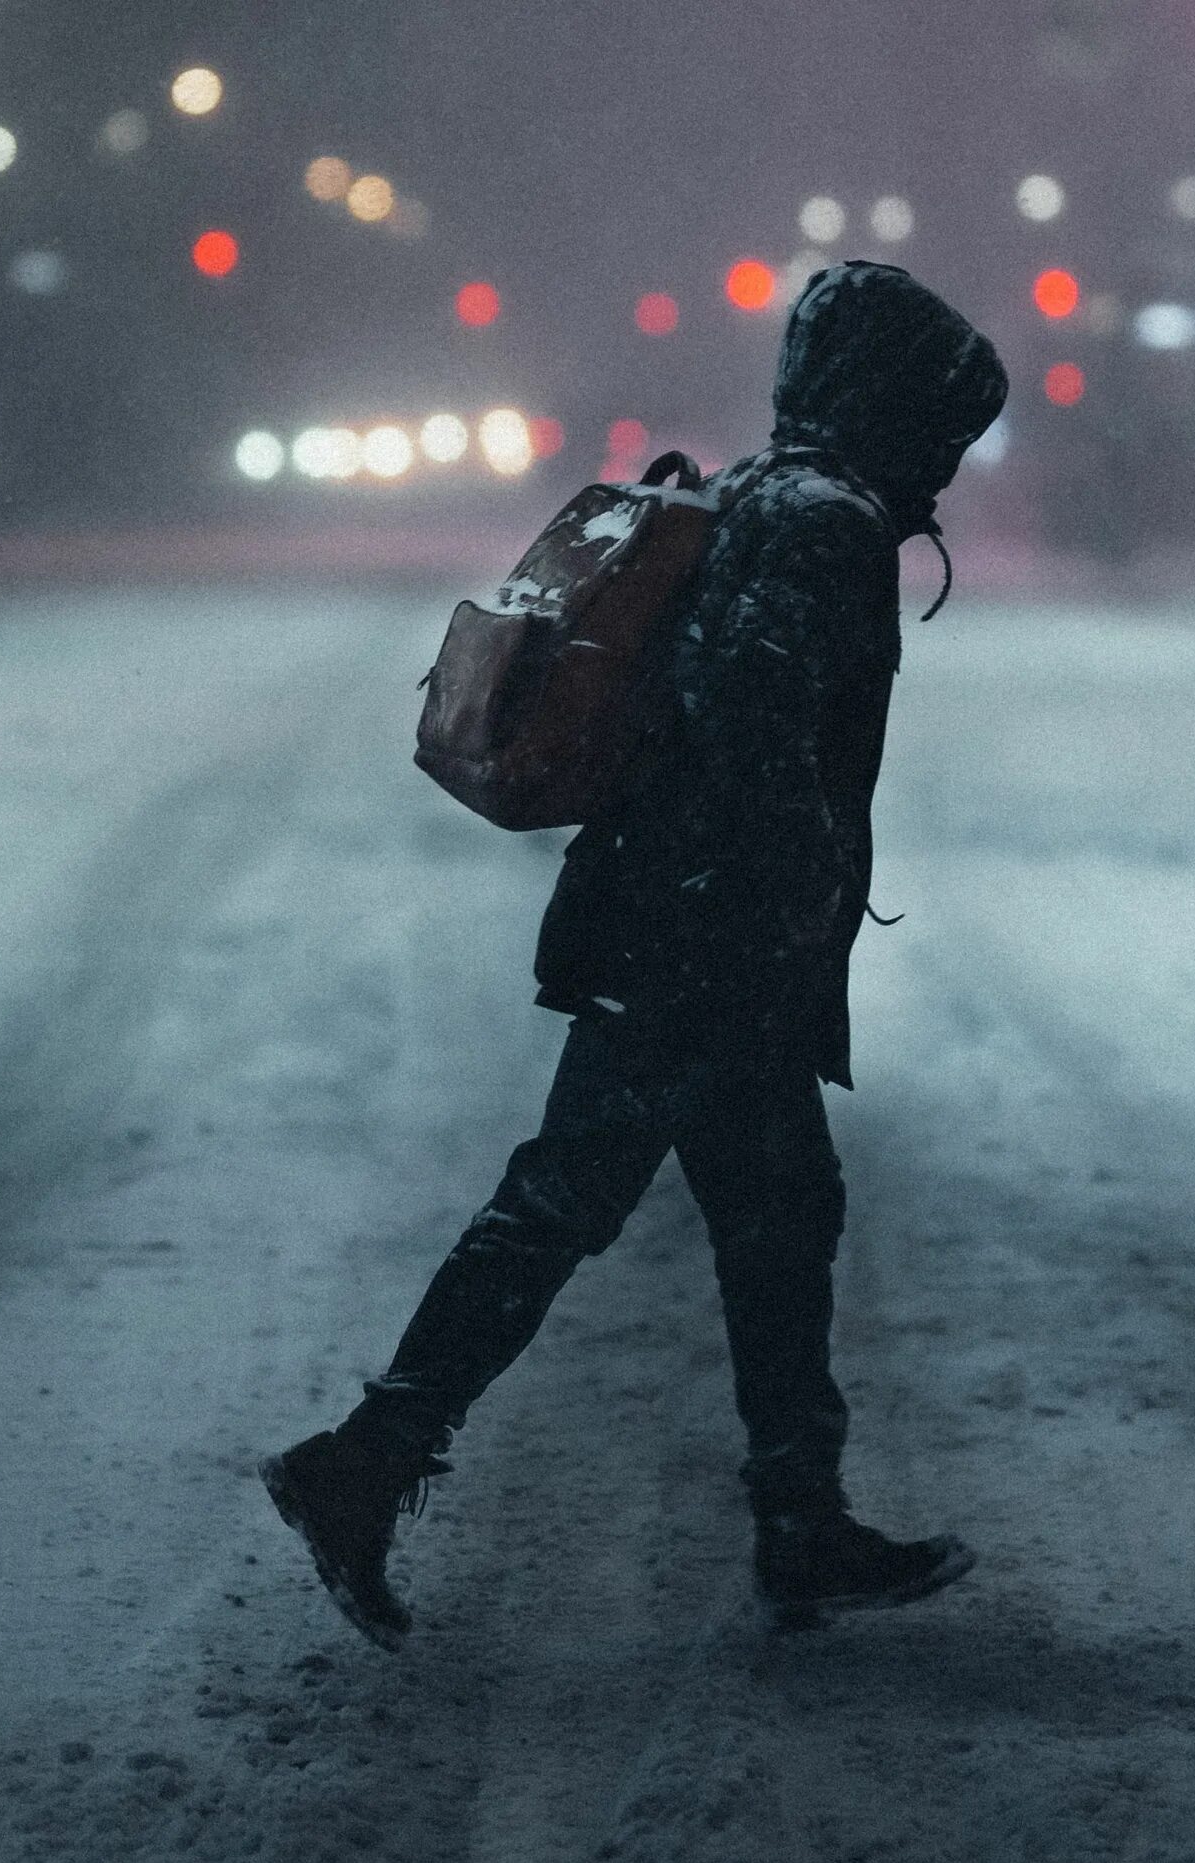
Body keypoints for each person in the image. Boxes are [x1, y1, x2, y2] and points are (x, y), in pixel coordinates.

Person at [261, 263, 1008, 1649]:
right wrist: (779, 930)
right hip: (704, 940)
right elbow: (760, 734)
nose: (944, 466)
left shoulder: (764, 494)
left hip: (682, 923)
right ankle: (367, 1458)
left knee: (775, 1213)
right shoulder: (820, 526)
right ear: (892, 405)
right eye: (941, 430)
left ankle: (801, 1519)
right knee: (568, 1201)